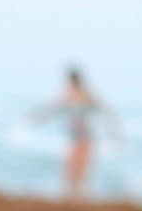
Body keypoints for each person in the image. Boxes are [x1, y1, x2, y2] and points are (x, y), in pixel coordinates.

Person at [36, 65, 117, 200]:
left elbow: (105, 112)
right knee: (71, 171)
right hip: (77, 137)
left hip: (85, 137)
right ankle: (72, 199)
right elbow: (53, 109)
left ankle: (77, 199)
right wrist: (39, 117)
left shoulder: (83, 95)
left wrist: (114, 133)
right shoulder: (73, 95)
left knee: (79, 171)